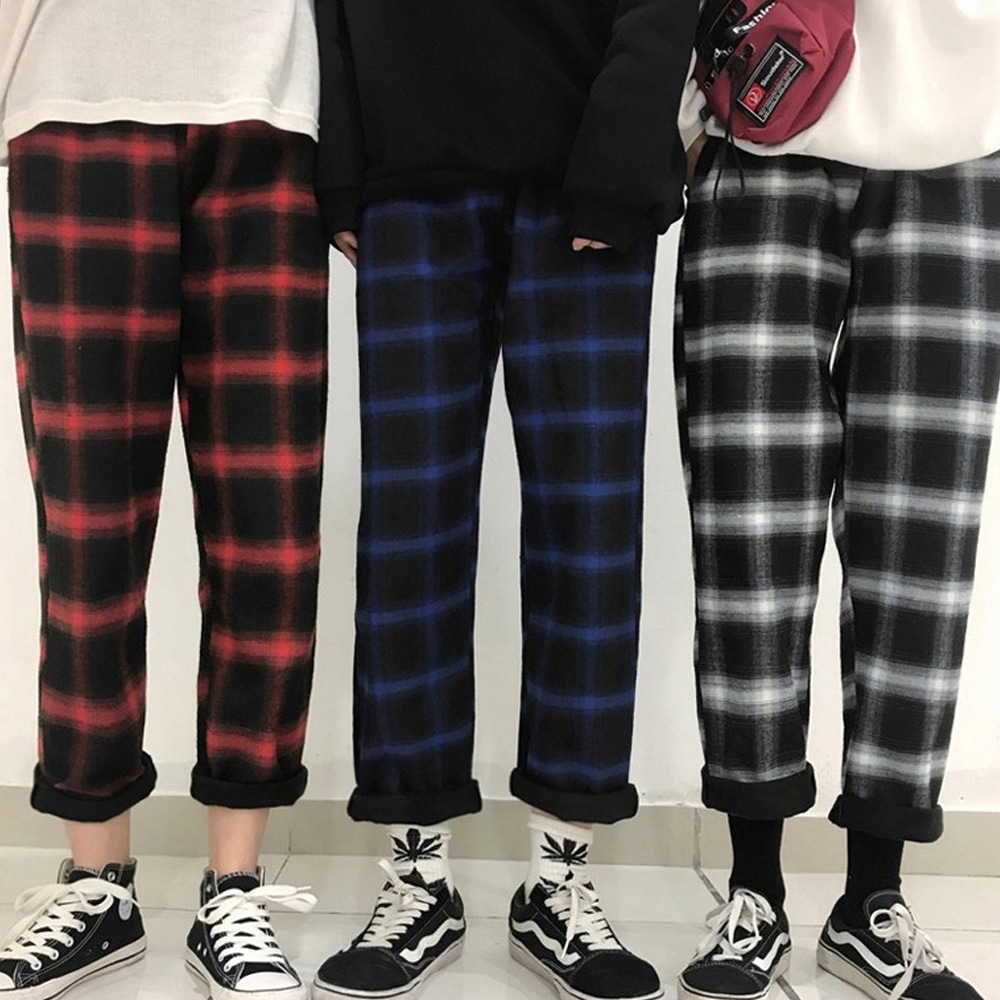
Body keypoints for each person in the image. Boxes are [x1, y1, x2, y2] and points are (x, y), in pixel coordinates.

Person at [311, 1, 698, 998]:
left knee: (588, 528)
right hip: (407, 176)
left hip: (585, 173)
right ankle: (416, 875)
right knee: (409, 533)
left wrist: (622, 160)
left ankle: (559, 879)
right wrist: (342, 169)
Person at [0, 2, 329, 997]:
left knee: (268, 528)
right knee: (87, 532)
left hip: (269, 107)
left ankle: (234, 885)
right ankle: (98, 884)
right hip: (69, 96)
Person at [673, 2, 1000, 998]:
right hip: (761, 129)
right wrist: (680, 112)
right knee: (746, 527)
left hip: (961, 140)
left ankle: (872, 899)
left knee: (919, 538)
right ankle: (754, 889)